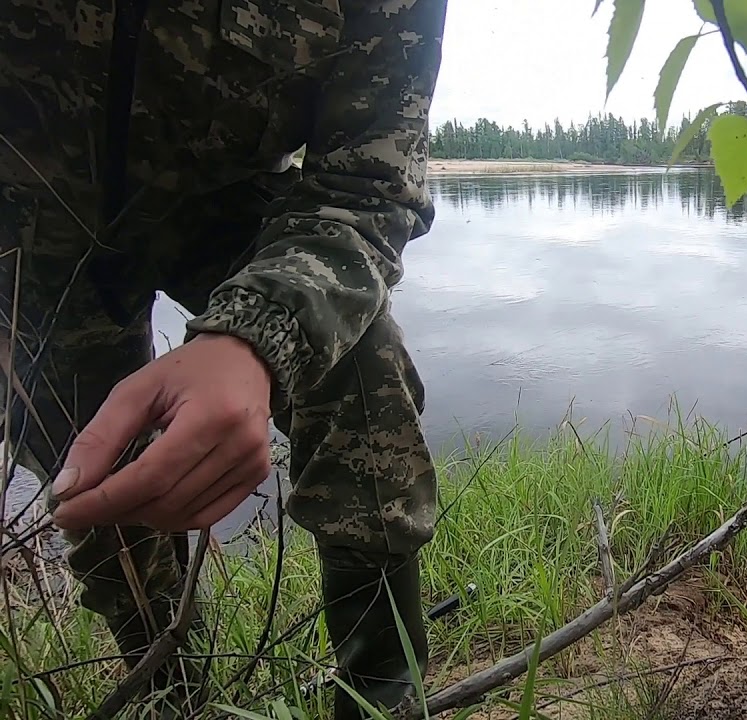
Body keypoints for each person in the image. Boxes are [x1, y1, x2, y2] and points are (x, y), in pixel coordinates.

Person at [0, 0, 447, 716]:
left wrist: (255, 336)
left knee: (362, 359)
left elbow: (370, 179)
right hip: (26, 231)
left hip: (219, 200)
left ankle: (383, 698)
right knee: (90, 480)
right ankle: (170, 691)